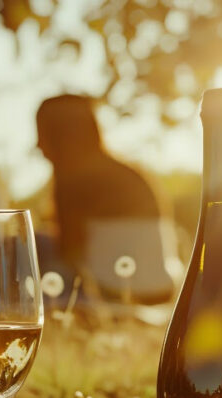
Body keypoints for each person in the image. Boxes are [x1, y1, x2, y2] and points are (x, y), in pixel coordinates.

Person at [35, 95, 175, 302]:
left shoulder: (76, 180)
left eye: (42, 134)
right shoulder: (127, 173)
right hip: (159, 290)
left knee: (29, 244)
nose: (38, 145)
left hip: (110, 294)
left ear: (60, 137)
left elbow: (69, 254)